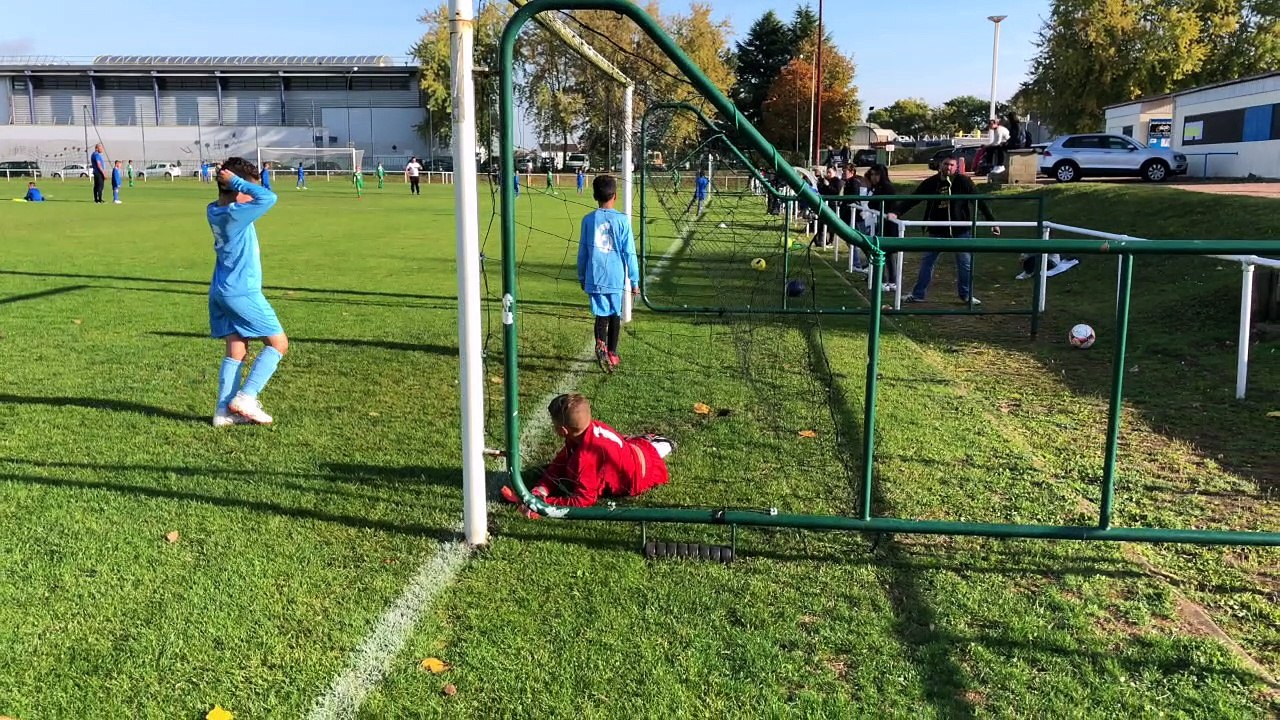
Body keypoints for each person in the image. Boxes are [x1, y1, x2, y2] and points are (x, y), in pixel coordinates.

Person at [207, 158, 287, 426]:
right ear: (236, 188)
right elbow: (269, 198)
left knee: (236, 349)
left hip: (221, 289)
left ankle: (223, 411)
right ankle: (246, 397)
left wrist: (231, 183)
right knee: (278, 344)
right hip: (241, 291)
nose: (251, 194)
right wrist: (238, 182)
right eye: (247, 189)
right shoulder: (234, 214)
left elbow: (258, 196)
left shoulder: (214, 210)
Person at [499, 393, 674, 516]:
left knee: (658, 447)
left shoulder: (586, 458)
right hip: (634, 452)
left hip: (642, 473)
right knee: (629, 446)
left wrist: (542, 504)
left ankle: (664, 442)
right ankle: (651, 441)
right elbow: (561, 461)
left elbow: (583, 500)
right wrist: (540, 489)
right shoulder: (584, 431)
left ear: (563, 430)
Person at [887, 157, 1000, 305]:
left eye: (952, 165)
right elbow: (914, 198)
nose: (948, 167)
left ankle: (966, 295)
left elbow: (979, 201)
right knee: (927, 263)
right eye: (946, 164)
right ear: (940, 165)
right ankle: (918, 294)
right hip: (937, 231)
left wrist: (992, 222)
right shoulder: (931, 182)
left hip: (960, 231)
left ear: (956, 167)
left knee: (965, 264)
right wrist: (897, 212)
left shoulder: (964, 182)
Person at [579, 174, 639, 371]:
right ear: (615, 195)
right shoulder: (622, 220)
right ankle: (612, 353)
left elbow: (583, 251)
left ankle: (601, 343)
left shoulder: (588, 220)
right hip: (614, 276)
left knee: (600, 314)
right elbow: (629, 251)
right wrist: (634, 280)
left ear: (595, 196)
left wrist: (582, 275)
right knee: (615, 314)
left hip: (594, 276)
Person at [862, 163, 901, 291]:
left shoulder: (887, 188)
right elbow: (872, 204)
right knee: (885, 253)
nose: (873, 177)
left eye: (876, 174)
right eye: (872, 174)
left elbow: (874, 203)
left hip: (890, 224)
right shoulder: (877, 188)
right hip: (882, 223)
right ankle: (887, 280)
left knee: (888, 253)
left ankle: (890, 281)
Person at [838, 164, 866, 270]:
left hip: (856, 216)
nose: (843, 174)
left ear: (852, 172)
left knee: (862, 240)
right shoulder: (848, 183)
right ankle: (856, 262)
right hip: (849, 215)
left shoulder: (854, 182)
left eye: (845, 172)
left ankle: (859, 263)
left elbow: (854, 198)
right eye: (843, 172)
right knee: (850, 239)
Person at [812, 165, 844, 249]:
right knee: (822, 222)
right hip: (825, 203)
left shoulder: (838, 181)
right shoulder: (826, 180)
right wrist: (820, 183)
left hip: (833, 204)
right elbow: (822, 191)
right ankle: (821, 240)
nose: (828, 174)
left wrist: (828, 185)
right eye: (827, 172)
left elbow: (836, 192)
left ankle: (831, 240)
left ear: (835, 172)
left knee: (832, 223)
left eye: (830, 172)